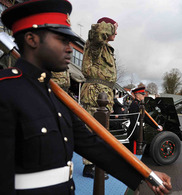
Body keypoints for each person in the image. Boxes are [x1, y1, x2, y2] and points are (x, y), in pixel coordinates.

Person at [0, 1, 172, 194]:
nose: (69, 48)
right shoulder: (6, 92)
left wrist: (144, 174)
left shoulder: (57, 97)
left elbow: (91, 143)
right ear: (32, 39)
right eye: (61, 40)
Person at [79, 16, 118, 178]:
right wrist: (111, 26)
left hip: (103, 93)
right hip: (95, 94)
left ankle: (97, 163)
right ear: (106, 28)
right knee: (92, 130)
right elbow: (97, 33)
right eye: (114, 29)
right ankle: (89, 167)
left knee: (101, 131)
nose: (116, 33)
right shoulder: (96, 44)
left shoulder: (106, 48)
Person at [127, 86, 163, 153]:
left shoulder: (137, 104)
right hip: (136, 130)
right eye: (142, 94)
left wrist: (156, 126)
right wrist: (156, 126)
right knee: (135, 149)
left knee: (138, 147)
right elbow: (145, 118)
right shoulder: (135, 105)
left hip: (137, 128)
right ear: (137, 95)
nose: (144, 95)